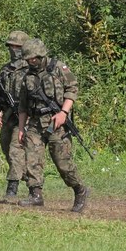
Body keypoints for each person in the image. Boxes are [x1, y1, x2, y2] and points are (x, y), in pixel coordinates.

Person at [17, 38, 90, 212]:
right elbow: (22, 105)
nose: (31, 61)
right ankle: (36, 195)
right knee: (32, 159)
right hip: (35, 123)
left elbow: (72, 89)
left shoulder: (59, 68)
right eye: (28, 59)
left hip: (57, 122)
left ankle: (80, 190)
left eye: (34, 58)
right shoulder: (27, 77)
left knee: (62, 163)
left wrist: (63, 113)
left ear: (41, 55)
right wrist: (21, 128)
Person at [0, 30, 30, 199]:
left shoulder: (31, 70)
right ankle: (31, 179)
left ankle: (11, 189)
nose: (14, 50)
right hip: (8, 116)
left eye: (18, 47)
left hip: (25, 117)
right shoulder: (5, 70)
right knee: (6, 148)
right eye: (11, 46)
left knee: (15, 150)